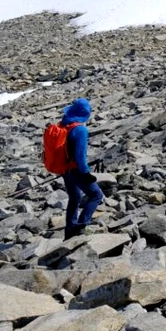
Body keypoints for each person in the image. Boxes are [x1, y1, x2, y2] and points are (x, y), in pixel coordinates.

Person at [60, 98, 103, 239]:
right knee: (96, 195)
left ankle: (70, 229)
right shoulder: (80, 130)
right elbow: (80, 156)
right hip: (75, 169)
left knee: (75, 196)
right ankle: (81, 225)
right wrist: (86, 174)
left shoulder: (63, 125)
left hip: (64, 169)